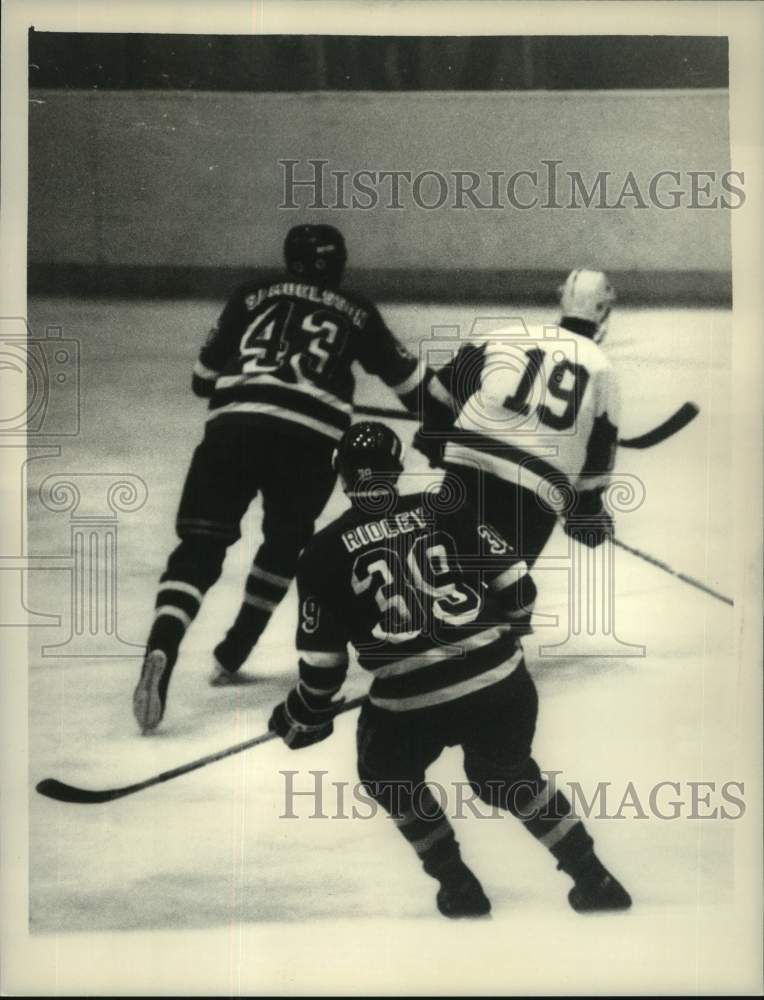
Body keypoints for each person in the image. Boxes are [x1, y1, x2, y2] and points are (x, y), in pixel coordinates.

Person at [269, 421, 631, 918]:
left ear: (343, 478)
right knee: (504, 776)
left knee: (386, 771)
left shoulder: (322, 552)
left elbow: (322, 672)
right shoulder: (447, 507)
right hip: (501, 685)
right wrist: (498, 636)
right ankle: (594, 877)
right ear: (397, 468)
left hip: (411, 707)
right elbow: (520, 591)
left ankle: (458, 886)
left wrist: (301, 714)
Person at [133, 225, 439, 733]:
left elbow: (201, 380)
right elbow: (411, 386)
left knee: (199, 548)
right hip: (310, 437)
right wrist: (445, 422)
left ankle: (162, 643)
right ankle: (236, 648)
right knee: (284, 542)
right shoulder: (357, 309)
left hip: (233, 426)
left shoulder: (251, 294)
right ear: (339, 263)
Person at [413, 269, 620, 567]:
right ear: (602, 311)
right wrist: (585, 515)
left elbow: (437, 391)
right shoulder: (603, 370)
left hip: (469, 467)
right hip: (536, 488)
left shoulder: (510, 335)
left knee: (441, 570)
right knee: (504, 590)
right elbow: (598, 460)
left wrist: (434, 436)